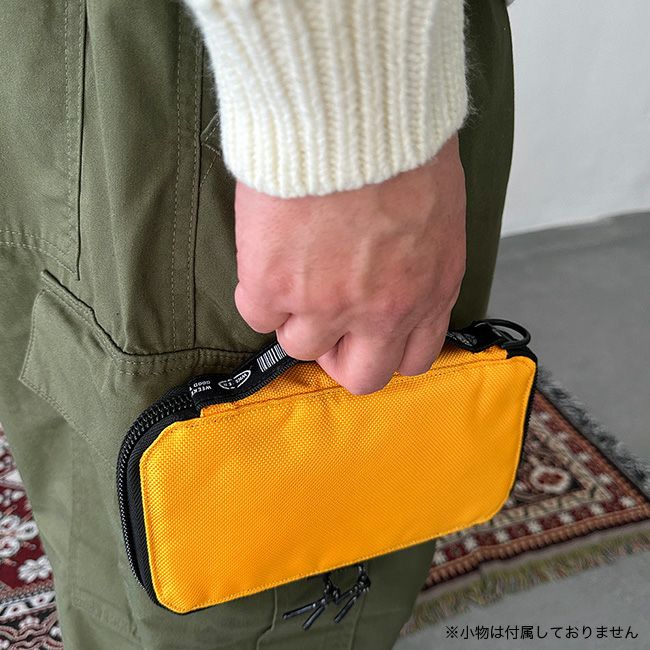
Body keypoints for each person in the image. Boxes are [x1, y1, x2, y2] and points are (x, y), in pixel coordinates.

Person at [0, 0, 514, 647]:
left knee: (115, 475)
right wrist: (354, 136)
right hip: (255, 70)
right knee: (216, 554)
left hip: (155, 55)